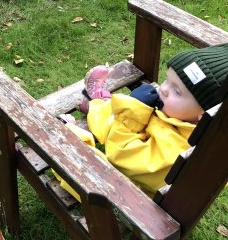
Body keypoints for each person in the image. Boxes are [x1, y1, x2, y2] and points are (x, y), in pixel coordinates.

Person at [63, 43, 228, 196]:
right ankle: (97, 103)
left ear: (204, 113)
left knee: (80, 149)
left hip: (126, 197)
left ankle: (68, 136)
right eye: (167, 80)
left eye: (177, 91)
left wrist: (134, 108)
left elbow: (121, 158)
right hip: (137, 151)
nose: (163, 89)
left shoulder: (179, 149)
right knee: (124, 115)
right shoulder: (188, 121)